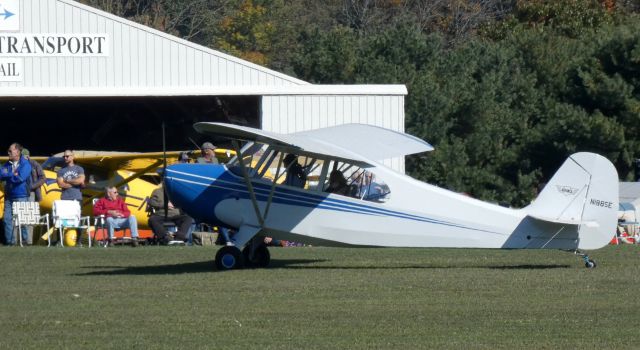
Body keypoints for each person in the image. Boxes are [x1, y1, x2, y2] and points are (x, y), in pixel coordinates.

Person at [1, 143, 32, 246]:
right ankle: (11, 242)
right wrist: (12, 174)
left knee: (22, 220)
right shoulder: (6, 164)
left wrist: (8, 176)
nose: (8, 152)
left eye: (10, 151)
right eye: (8, 151)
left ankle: (25, 241)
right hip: (9, 196)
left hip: (21, 195)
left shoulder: (26, 164)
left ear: (18, 152)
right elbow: (1, 175)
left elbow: (20, 178)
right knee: (6, 219)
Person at [23, 148, 46, 245]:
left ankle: (29, 241)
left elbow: (43, 177)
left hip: (31, 193)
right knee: (21, 216)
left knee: (29, 217)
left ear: (27, 156)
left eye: (23, 156)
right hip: (20, 193)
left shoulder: (34, 164)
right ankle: (21, 240)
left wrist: (33, 186)